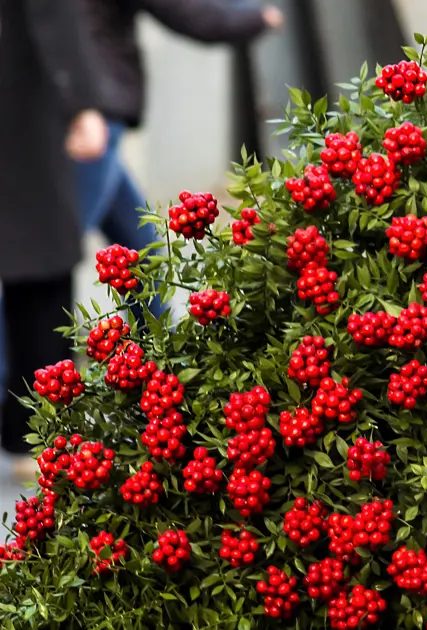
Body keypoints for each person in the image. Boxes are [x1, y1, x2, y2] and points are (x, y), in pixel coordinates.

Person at [74, 0, 284, 323]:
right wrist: (257, 18)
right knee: (48, 262)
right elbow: (189, 12)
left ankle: (157, 356)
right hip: (92, 120)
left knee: (140, 248)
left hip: (85, 112)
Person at [0, 0, 108, 472]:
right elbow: (51, 16)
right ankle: (37, 433)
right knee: (40, 265)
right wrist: (82, 102)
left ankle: (30, 430)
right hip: (22, 107)